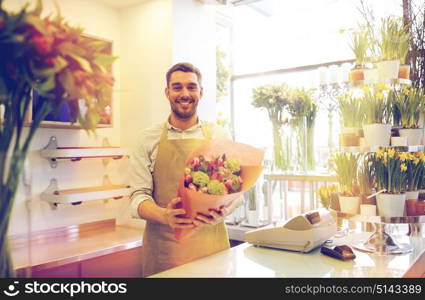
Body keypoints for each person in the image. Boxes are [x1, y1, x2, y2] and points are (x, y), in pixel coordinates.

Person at [129, 62, 243, 277]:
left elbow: (237, 192)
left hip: (211, 248)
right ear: (167, 92)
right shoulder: (147, 139)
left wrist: (223, 211)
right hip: (164, 250)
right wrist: (165, 215)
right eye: (177, 87)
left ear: (200, 92)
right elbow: (137, 196)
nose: (185, 93)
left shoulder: (219, 136)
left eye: (191, 87)